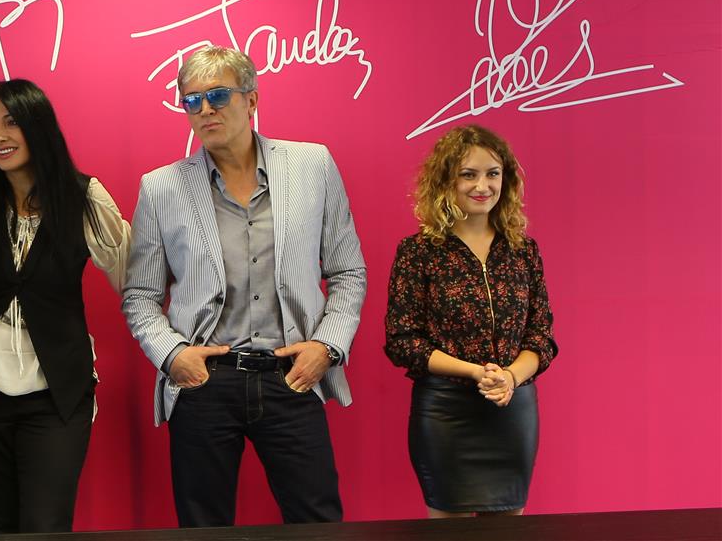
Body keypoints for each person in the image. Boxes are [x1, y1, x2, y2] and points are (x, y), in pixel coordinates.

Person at [122, 45, 367, 527]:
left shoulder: (312, 165)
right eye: (192, 100)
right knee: (203, 529)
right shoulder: (161, 188)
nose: (205, 110)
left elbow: (348, 272)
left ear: (251, 99)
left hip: (292, 374)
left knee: (318, 523)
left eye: (218, 96)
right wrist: (174, 356)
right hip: (205, 382)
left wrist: (326, 347)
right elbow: (140, 296)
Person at [0, 79, 130, 534]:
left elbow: (134, 281)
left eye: (11, 122)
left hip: (55, 395)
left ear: (39, 126)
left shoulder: (83, 197)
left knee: (45, 527)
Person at [384, 124, 559, 518]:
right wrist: (475, 372)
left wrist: (510, 377)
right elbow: (402, 340)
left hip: (511, 410)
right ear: (447, 181)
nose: (483, 186)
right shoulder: (419, 251)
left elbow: (542, 337)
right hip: (445, 413)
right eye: (469, 174)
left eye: (492, 173)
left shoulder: (523, 251)